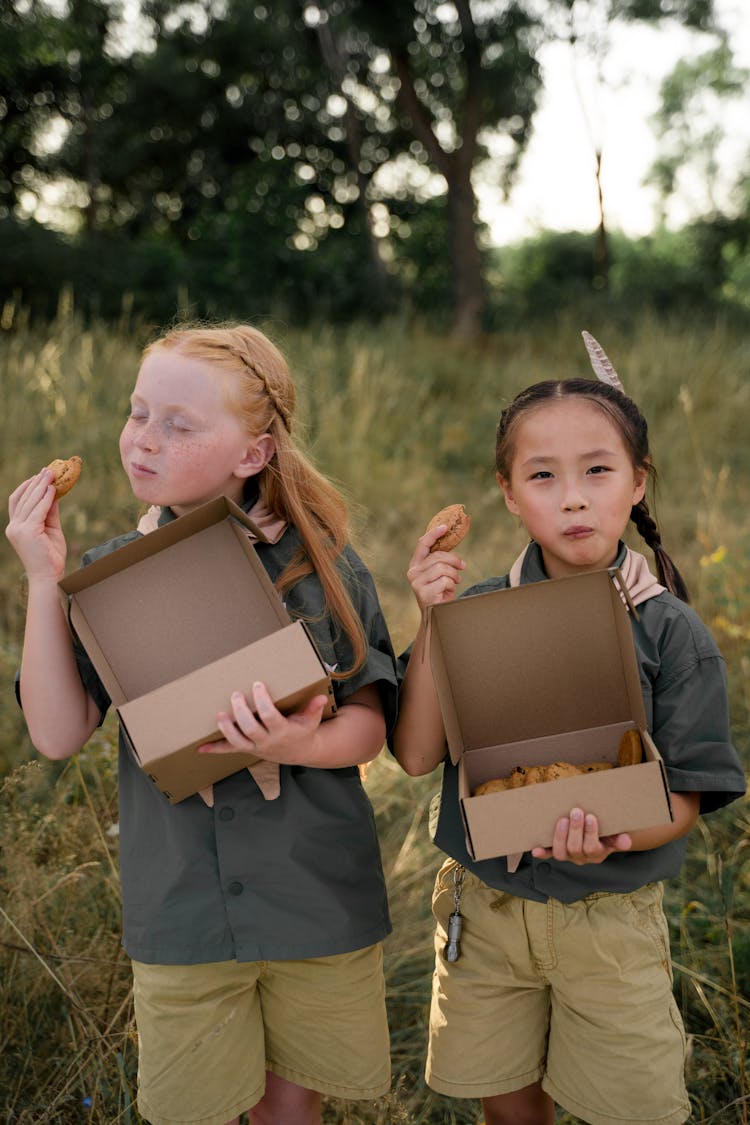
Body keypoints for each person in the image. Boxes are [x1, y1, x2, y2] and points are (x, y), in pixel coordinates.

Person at [6, 322, 400, 1125]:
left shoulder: (318, 563)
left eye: (179, 425)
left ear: (252, 453)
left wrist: (302, 743)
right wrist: (45, 581)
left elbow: (370, 719)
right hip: (185, 907)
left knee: (291, 1110)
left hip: (313, 898)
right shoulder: (115, 576)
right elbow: (56, 731)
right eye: (137, 412)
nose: (144, 439)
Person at [392, 335, 746, 1125]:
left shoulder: (672, 632)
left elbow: (685, 799)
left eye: (597, 470)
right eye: (543, 476)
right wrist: (434, 622)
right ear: (510, 495)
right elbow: (417, 753)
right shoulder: (478, 611)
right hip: (487, 911)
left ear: (636, 481)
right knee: (510, 1107)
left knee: (631, 1107)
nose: (574, 497)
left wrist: (617, 831)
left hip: (610, 924)